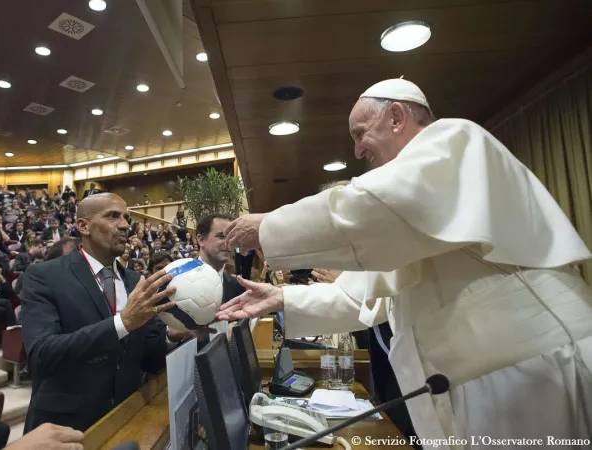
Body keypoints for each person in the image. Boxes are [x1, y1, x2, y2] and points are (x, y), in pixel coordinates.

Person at [218, 79, 592, 447]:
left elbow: (361, 207)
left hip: (529, 370)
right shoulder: (411, 216)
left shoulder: (454, 140)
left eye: (360, 134)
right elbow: (362, 298)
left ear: (396, 116)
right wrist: (283, 299)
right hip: (489, 379)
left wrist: (269, 225)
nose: (357, 152)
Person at [20, 193, 189, 432]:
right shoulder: (44, 276)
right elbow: (42, 356)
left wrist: (172, 335)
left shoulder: (134, 281)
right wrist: (122, 323)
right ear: (83, 226)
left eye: (126, 218)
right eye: (112, 216)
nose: (125, 225)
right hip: (66, 427)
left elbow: (147, 357)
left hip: (126, 418)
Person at [196, 214, 245, 303]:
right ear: (201, 240)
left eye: (232, 237)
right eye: (221, 236)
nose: (229, 242)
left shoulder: (237, 285)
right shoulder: (176, 279)